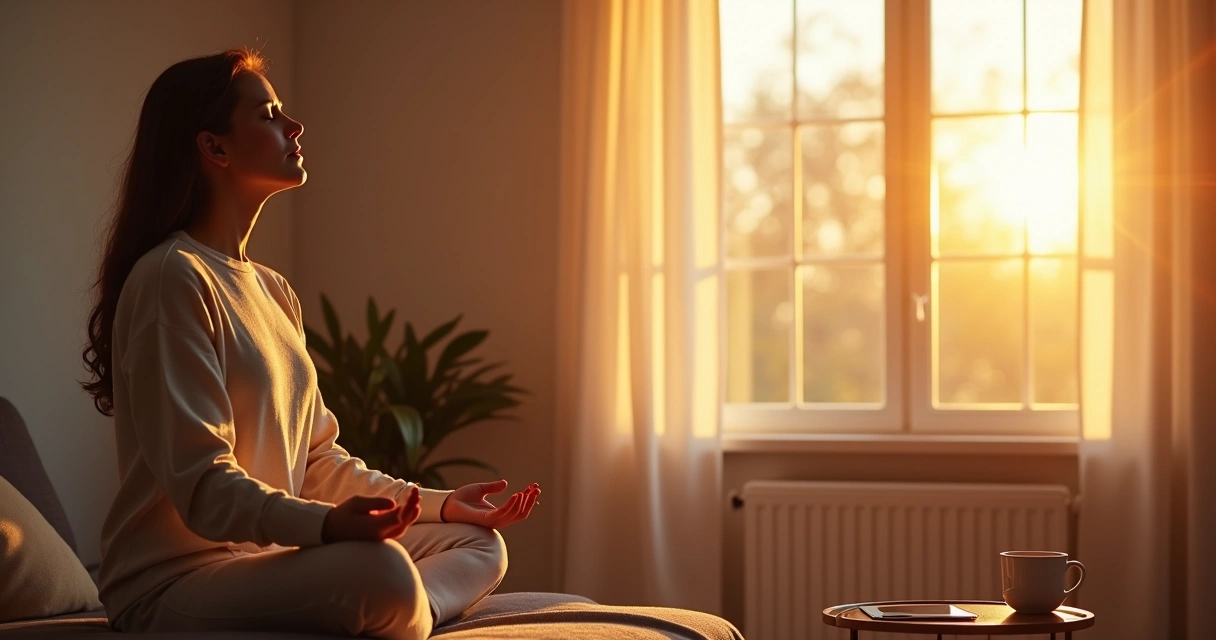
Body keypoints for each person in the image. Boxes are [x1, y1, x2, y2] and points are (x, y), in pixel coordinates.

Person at [80, 48, 540, 640]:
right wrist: (327, 529)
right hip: (172, 583)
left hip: (262, 564)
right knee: (380, 570)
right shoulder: (172, 276)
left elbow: (317, 462)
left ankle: (401, 614)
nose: (294, 126)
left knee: (477, 541)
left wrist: (442, 504)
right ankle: (401, 610)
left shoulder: (273, 290)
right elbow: (202, 485)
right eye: (269, 114)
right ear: (214, 147)